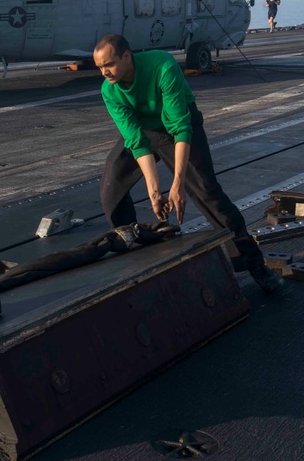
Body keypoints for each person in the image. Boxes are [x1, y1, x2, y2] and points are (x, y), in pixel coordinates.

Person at [93, 34, 284, 293]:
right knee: (111, 189)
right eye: (100, 68)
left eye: (109, 65)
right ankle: (139, 252)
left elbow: (180, 127)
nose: (105, 72)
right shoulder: (109, 90)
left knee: (206, 192)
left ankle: (254, 265)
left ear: (127, 56)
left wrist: (177, 185)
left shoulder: (161, 65)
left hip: (180, 124)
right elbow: (136, 141)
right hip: (144, 129)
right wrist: (153, 191)